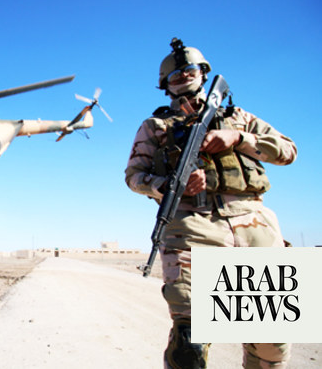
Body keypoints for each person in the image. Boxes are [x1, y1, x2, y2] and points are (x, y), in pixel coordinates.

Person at [125, 38, 297, 368]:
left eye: (189, 70)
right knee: (189, 347)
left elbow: (288, 151)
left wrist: (239, 139)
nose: (183, 78)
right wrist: (168, 185)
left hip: (255, 224)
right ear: (165, 85)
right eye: (174, 76)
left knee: (273, 342)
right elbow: (134, 176)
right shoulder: (155, 126)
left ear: (203, 73)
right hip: (192, 229)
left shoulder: (239, 117)